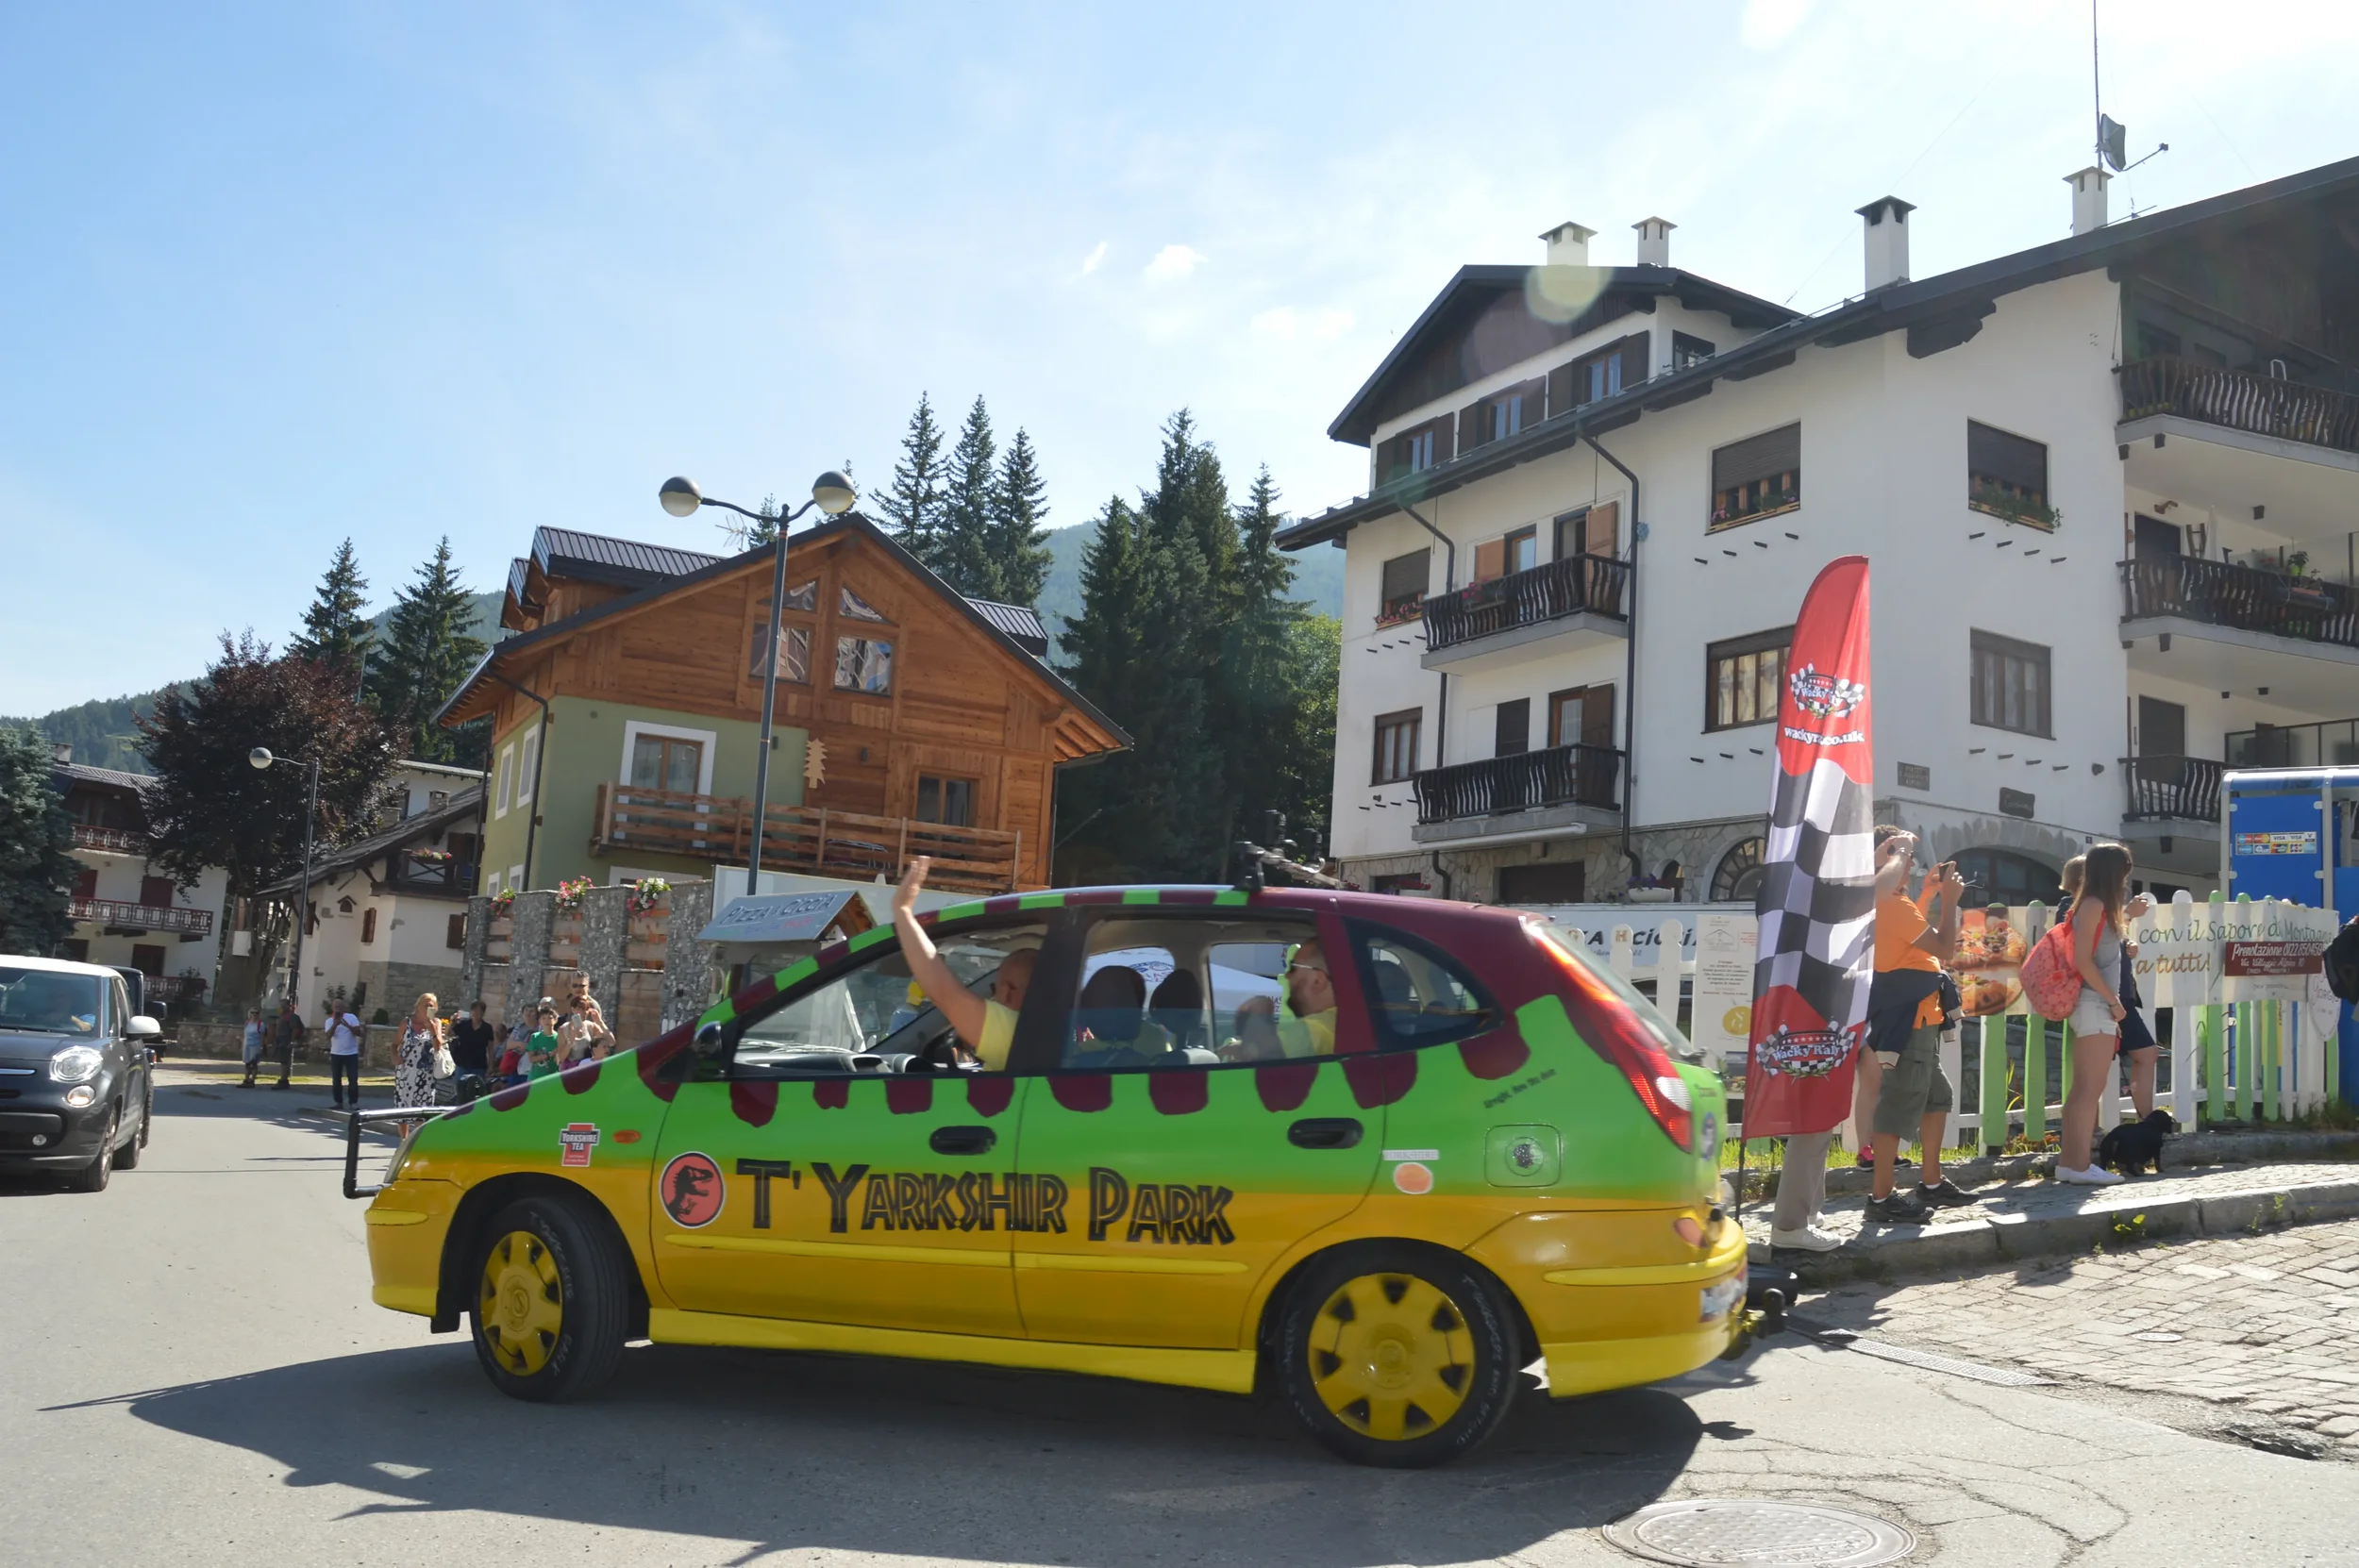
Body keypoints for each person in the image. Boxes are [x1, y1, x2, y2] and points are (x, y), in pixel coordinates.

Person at [1863, 828, 1967, 1224]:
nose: (1911, 864)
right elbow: (1943, 948)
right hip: (1912, 1016)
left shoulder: (1892, 901)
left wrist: (1929, 896)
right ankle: (1881, 1197)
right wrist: (1952, 903)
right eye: (1906, 857)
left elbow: (1913, 934)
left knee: (1936, 1097)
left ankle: (1932, 1182)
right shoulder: (1891, 903)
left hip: (1918, 1014)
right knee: (1897, 1105)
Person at [888, 856, 1036, 1069]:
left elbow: (945, 993)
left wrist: (902, 911)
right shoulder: (1062, 1032)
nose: (993, 996)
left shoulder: (1018, 1032)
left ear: (1007, 992)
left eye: (994, 987)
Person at [2058, 843, 2142, 1185]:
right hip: (2094, 1002)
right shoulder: (2093, 905)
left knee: (2083, 1089)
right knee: (2087, 1090)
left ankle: (2070, 1163)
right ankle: (2078, 1166)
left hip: (2094, 1003)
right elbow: (2082, 961)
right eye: (2124, 870)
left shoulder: (2097, 905)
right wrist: (2113, 1000)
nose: (2126, 877)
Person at [2058, 857, 2160, 1125]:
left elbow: (2107, 939)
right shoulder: (2076, 907)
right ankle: (2088, 1141)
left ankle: (2143, 1123)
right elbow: (2079, 948)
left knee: (2143, 1055)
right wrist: (2127, 914)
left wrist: (2128, 942)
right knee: (2093, 1080)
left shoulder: (2102, 908)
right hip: (2100, 997)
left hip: (2116, 996)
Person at [1227, 941, 1339, 1060]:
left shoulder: (1313, 1030)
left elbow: (1255, 1055)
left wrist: (1256, 1017)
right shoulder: (1340, 1022)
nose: (1287, 976)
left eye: (1293, 969)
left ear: (1317, 981)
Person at [393, 993, 444, 1113]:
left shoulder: (436, 1023)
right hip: (405, 1072)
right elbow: (395, 1044)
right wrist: (394, 1056)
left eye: (431, 1006)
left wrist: (432, 1030)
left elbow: (438, 1047)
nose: (428, 1009)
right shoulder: (406, 1023)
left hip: (425, 1075)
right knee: (402, 1111)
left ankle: (418, 1133)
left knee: (422, 1112)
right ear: (418, 1006)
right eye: (425, 1005)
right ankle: (404, 1133)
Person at [559, 975, 614, 1064]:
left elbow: (608, 1041)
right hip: (570, 1065)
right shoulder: (571, 1002)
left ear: (588, 986)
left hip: (587, 1062)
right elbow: (561, 1056)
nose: (578, 988)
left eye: (581, 985)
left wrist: (600, 1023)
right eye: (574, 985)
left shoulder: (592, 1006)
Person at [325, 997, 366, 1109]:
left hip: (351, 1053)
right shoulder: (329, 1021)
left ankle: (353, 1102)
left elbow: (358, 1032)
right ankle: (338, 1102)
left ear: (344, 1008)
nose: (338, 1009)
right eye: (336, 1007)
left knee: (352, 1079)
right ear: (333, 1008)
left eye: (340, 1007)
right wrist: (335, 1024)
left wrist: (346, 1024)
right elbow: (328, 1036)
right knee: (336, 1079)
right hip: (336, 1053)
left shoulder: (351, 1018)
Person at [449, 999, 496, 1079]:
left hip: (479, 1066)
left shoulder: (487, 1028)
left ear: (483, 1013)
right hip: (462, 1064)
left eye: (478, 1011)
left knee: (476, 1090)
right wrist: (452, 1022)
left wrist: (490, 1066)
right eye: (473, 1010)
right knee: (461, 1089)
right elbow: (449, 1033)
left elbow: (490, 1049)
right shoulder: (463, 1024)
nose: (475, 1013)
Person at [270, 997, 305, 1090]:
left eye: (283, 1005)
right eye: (281, 1004)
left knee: (284, 1061)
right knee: (282, 1061)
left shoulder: (291, 1016)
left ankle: (283, 1080)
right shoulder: (282, 1016)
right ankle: (283, 1079)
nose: (281, 1007)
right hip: (280, 1040)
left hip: (286, 1040)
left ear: (288, 1006)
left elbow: (294, 1029)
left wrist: (292, 1041)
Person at [525, 1002, 565, 1078]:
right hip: (535, 1077)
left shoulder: (559, 1037)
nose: (547, 1021)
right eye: (543, 1018)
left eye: (550, 1018)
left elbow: (559, 1061)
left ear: (555, 1020)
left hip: (552, 1077)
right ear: (539, 1021)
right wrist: (548, 1055)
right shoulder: (535, 1037)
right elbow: (531, 1058)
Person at [239, 1008, 266, 1087]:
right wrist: (242, 1044)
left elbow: (262, 1036)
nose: (254, 1014)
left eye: (256, 1013)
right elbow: (245, 1035)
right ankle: (246, 1079)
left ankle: (252, 1080)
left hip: (256, 1045)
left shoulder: (260, 1024)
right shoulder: (247, 1023)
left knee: (253, 1063)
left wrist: (261, 1047)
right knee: (247, 1063)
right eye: (252, 1012)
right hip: (247, 1045)